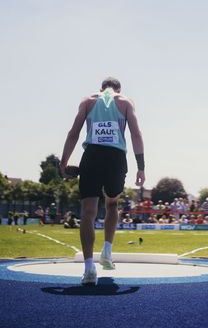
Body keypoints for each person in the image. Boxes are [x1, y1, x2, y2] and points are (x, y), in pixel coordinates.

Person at [60, 77, 145, 286]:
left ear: (101, 88)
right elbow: (135, 133)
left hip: (92, 156)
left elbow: (73, 133)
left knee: (88, 212)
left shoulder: (88, 101)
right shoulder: (125, 102)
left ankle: (89, 268)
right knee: (112, 203)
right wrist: (141, 166)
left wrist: (63, 163)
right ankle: (107, 250)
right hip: (116, 158)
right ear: (118, 89)